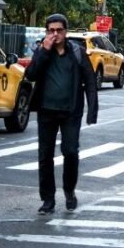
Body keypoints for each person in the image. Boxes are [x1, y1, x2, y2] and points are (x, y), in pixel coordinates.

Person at [25, 12, 98, 214]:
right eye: (51, 30)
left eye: (59, 30)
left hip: (71, 112)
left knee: (71, 152)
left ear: (66, 32)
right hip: (46, 111)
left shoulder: (77, 52)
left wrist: (92, 111)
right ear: (47, 32)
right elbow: (30, 75)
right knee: (44, 156)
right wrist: (44, 52)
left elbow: (90, 81)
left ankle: (69, 191)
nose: (55, 34)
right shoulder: (42, 51)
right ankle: (48, 200)